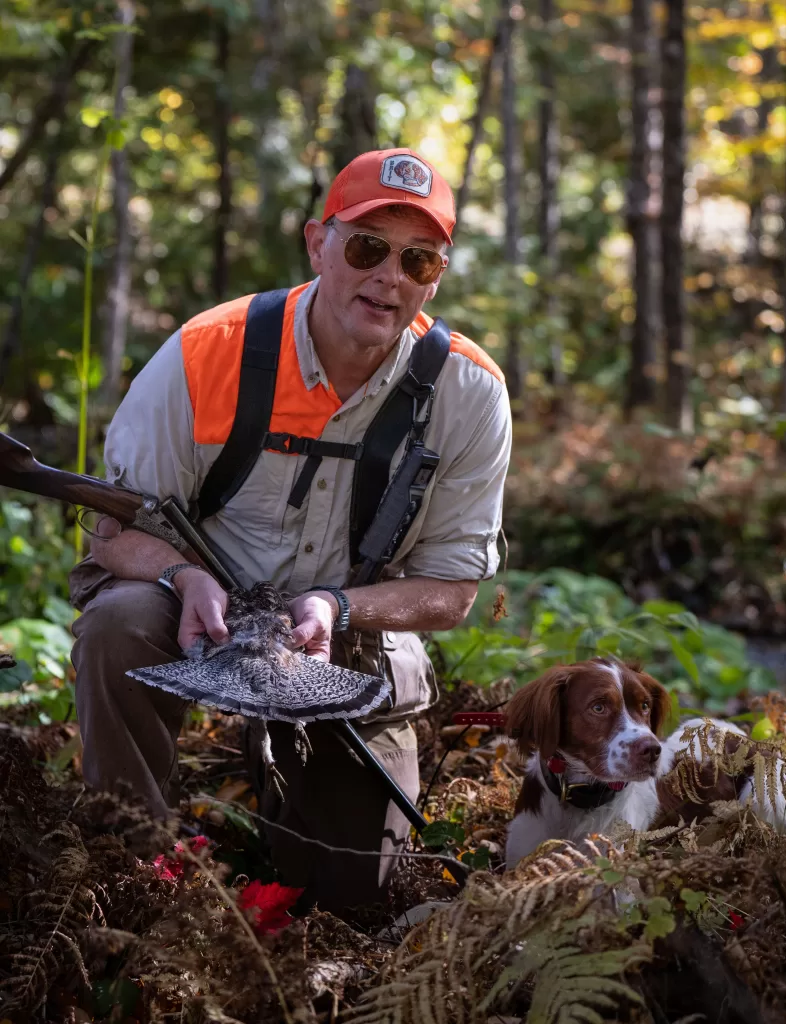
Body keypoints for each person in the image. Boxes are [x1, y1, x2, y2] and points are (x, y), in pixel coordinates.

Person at [69, 148, 512, 912]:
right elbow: (107, 536)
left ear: (436, 275)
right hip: (193, 615)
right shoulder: (210, 352)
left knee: (351, 898)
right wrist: (183, 575)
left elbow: (450, 594)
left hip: (343, 635)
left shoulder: (468, 393)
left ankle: (291, 803)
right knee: (118, 621)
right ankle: (129, 866)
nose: (390, 277)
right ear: (317, 242)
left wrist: (335, 608)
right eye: (367, 248)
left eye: (419, 261)